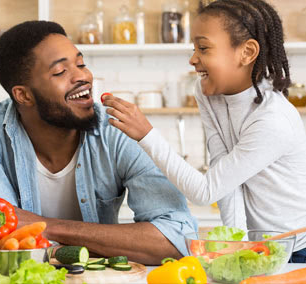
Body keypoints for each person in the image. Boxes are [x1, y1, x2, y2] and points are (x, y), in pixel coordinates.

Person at [0, 20, 197, 264]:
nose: (83, 76)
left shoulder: (117, 129)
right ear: (24, 95)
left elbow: (177, 241)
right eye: (61, 72)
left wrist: (46, 227)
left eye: (81, 63)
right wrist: (106, 243)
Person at [102, 0, 306, 262]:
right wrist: (237, 246)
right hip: (261, 248)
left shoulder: (273, 119)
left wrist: (146, 134)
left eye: (204, 48)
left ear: (246, 52)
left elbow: (204, 192)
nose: (193, 58)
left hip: (296, 248)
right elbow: (225, 182)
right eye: (194, 48)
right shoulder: (209, 93)